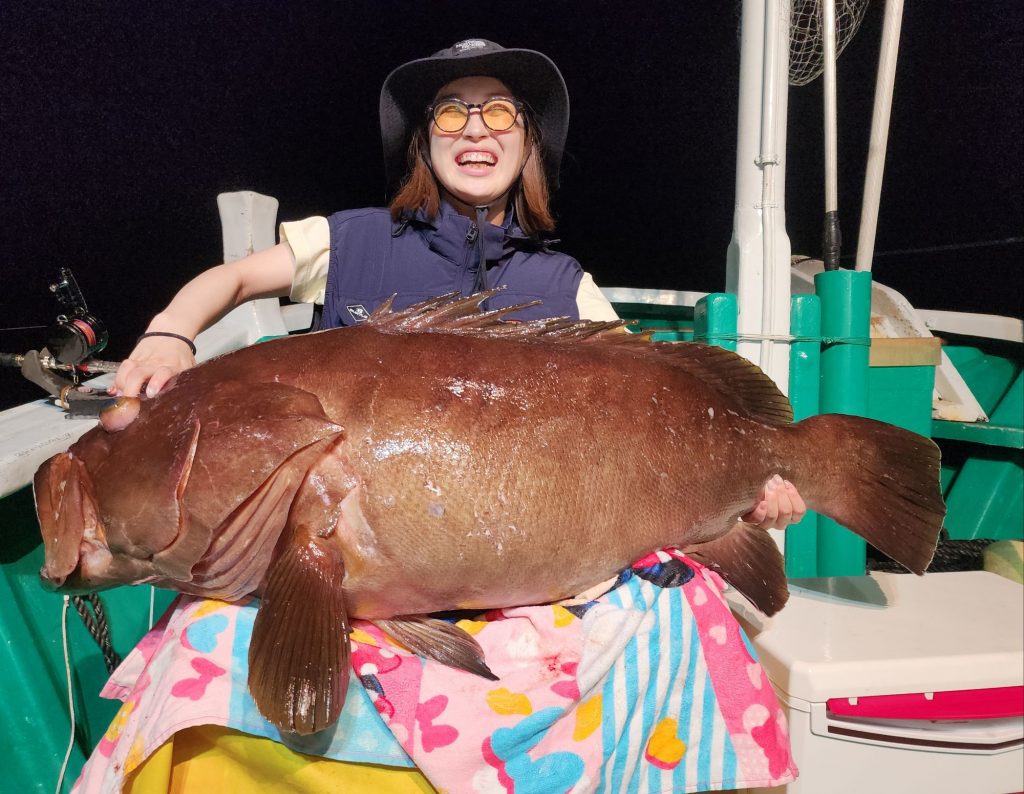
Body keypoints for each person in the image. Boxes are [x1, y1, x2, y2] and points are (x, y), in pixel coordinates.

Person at [87, 40, 803, 792]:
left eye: (499, 112)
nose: (475, 129)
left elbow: (656, 397)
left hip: (520, 578)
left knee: (684, 612)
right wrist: (170, 330)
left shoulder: (563, 282)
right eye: (451, 113)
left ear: (528, 143)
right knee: (199, 632)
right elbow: (234, 279)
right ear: (423, 144)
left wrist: (754, 487)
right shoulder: (351, 240)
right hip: (358, 572)